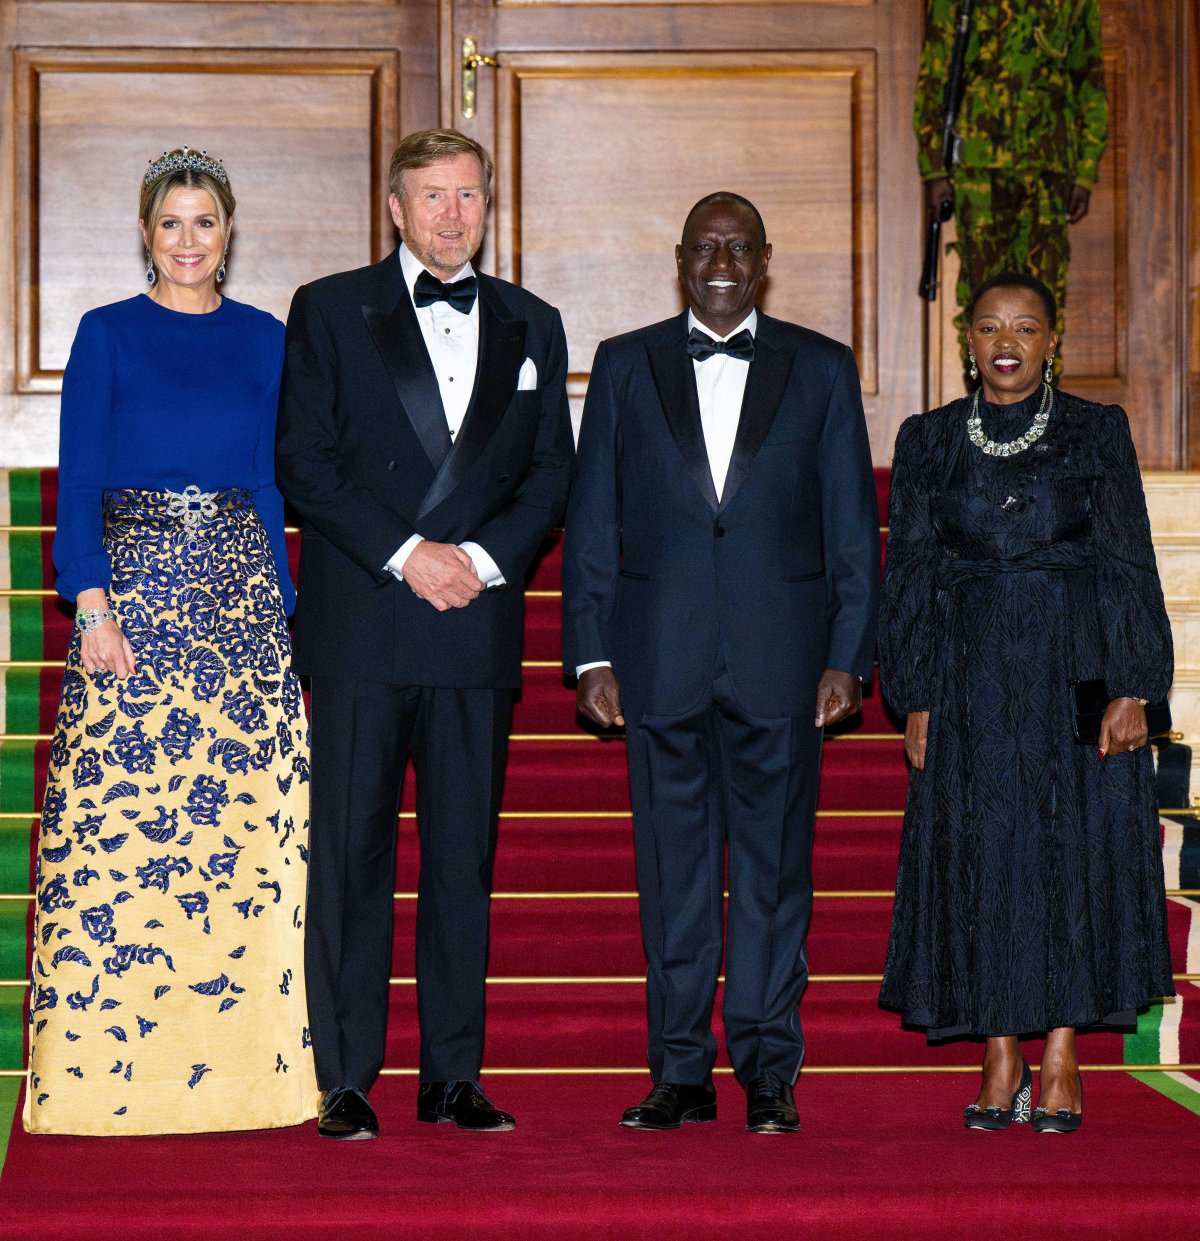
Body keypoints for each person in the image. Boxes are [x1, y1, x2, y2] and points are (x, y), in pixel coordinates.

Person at [275, 128, 572, 1139]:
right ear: (394, 208)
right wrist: (411, 552)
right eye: (432, 197)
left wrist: (481, 563)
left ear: (490, 205)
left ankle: (452, 1074)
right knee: (352, 859)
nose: (453, 214)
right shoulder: (329, 309)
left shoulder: (536, 323)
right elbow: (304, 462)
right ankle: (347, 1076)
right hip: (365, 619)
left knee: (461, 862)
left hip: (473, 629)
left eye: (469, 196)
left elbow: (549, 475)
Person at [562, 192, 880, 1134]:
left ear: (765, 260)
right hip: (657, 660)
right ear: (681, 259)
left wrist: (846, 655)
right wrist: (590, 651)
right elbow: (592, 524)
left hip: (785, 666)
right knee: (674, 878)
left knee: (778, 875)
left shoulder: (821, 368)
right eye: (707, 246)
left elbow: (852, 531)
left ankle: (770, 1067)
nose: (723, 261)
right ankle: (680, 1071)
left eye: (740, 247)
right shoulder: (624, 365)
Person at [26, 147, 318, 1135]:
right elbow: (82, 479)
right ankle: (112, 1077)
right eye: (171, 223)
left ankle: (253, 1075)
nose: (189, 240)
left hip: (239, 605)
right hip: (135, 608)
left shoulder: (267, 338)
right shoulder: (106, 335)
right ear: (146, 234)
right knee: (127, 844)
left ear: (229, 233)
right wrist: (92, 603)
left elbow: (276, 482)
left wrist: (280, 602)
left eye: (206, 221)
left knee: (244, 839)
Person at [878, 270, 1175, 1132]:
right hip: (969, 674)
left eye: (1026, 327)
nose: (1006, 341)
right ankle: (998, 1047)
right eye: (989, 328)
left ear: (1054, 341)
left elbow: (1129, 561)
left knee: (1070, 845)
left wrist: (1136, 684)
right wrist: (917, 690)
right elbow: (911, 579)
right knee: (985, 851)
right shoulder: (929, 438)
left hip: (1076, 666)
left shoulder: (1096, 431)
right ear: (968, 343)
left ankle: (1059, 1052)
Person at [917, 0, 1109, 362]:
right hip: (978, 171)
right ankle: (984, 409)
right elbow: (935, 76)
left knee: (1045, 303)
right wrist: (933, 169)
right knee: (982, 301)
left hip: (1048, 171)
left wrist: (1085, 168)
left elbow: (1090, 81)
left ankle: (1044, 414)